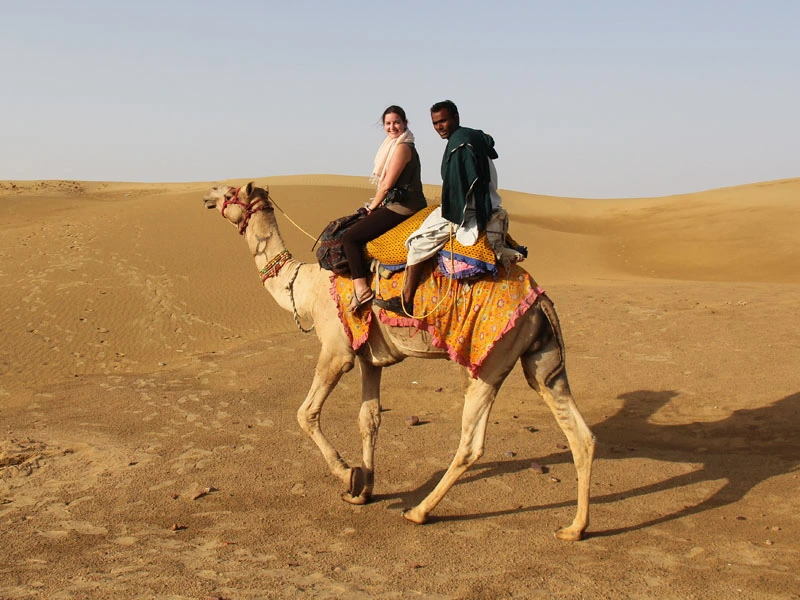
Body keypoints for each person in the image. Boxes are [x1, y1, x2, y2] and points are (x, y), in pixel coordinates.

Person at [375, 100, 502, 316]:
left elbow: (461, 189)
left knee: (416, 244)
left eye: (443, 121)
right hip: (485, 202)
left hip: (466, 210)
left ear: (456, 118)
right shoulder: (471, 137)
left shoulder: (459, 145)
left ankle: (406, 301)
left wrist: (453, 214)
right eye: (435, 123)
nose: (439, 127)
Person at [342, 105, 427, 311]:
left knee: (350, 238)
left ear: (405, 123)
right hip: (397, 203)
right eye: (388, 123)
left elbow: (387, 184)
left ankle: (361, 289)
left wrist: (371, 207)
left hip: (404, 206)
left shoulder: (402, 147)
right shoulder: (392, 146)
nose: (392, 127)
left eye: (396, 122)